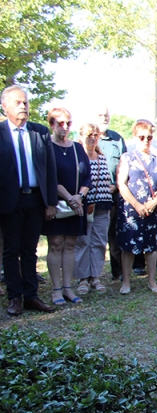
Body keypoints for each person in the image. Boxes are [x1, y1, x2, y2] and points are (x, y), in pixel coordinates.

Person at [0, 85, 59, 315]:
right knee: (11, 250)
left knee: (30, 250)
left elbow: (49, 169)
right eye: (17, 102)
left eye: (25, 102)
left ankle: (31, 296)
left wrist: (51, 202)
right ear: (4, 107)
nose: (23, 106)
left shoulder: (40, 132)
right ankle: (14, 297)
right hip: (9, 201)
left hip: (35, 200)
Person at [41, 109, 91, 306]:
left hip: (76, 205)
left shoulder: (77, 148)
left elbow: (87, 176)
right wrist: (70, 198)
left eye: (68, 123)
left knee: (70, 245)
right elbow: (49, 177)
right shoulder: (46, 147)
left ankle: (68, 288)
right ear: (52, 124)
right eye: (60, 123)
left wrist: (79, 197)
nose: (64, 127)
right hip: (57, 204)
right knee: (56, 245)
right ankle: (56, 290)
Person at [116, 119, 157, 294]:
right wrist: (137, 205)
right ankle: (127, 282)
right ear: (135, 137)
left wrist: (155, 202)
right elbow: (121, 184)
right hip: (131, 209)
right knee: (129, 246)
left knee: (152, 246)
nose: (146, 140)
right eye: (142, 137)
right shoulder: (127, 157)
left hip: (152, 209)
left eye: (149, 137)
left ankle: (152, 281)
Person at [74, 124, 115, 295]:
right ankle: (82, 278)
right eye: (89, 134)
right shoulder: (77, 157)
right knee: (83, 242)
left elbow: (108, 182)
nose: (92, 138)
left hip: (103, 205)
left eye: (95, 134)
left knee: (99, 242)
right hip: (84, 206)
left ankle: (95, 277)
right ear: (81, 135)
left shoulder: (102, 158)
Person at [95, 107, 127, 281]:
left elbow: (124, 164)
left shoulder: (117, 139)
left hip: (114, 193)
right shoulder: (87, 136)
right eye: (100, 115)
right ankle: (90, 275)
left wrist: (116, 185)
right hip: (91, 195)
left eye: (106, 115)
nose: (103, 118)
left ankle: (118, 271)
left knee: (114, 233)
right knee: (92, 236)